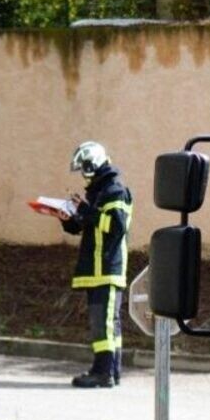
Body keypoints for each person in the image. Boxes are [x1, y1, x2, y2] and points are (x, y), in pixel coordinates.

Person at [58, 141, 133, 388]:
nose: (84, 173)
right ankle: (112, 371)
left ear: (96, 162)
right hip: (97, 267)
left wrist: (87, 211)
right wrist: (69, 220)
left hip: (107, 267)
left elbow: (116, 227)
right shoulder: (99, 192)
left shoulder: (115, 191)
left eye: (86, 167)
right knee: (107, 323)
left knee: (104, 324)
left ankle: (103, 373)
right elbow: (87, 225)